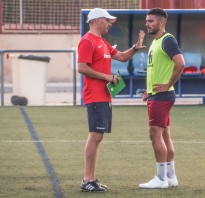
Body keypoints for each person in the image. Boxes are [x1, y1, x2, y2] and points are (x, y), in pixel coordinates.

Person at [77, 8, 145, 192]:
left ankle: (90, 179)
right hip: (95, 96)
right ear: (97, 20)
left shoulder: (102, 42)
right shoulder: (87, 41)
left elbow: (122, 57)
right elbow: (81, 67)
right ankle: (87, 180)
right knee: (95, 135)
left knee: (97, 137)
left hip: (104, 96)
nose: (109, 24)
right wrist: (107, 77)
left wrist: (135, 48)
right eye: (108, 21)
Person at [139, 8, 185, 189]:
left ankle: (160, 178)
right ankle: (171, 177)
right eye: (147, 21)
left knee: (155, 135)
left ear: (162, 22)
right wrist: (149, 90)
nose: (147, 24)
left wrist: (166, 85)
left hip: (163, 96)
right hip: (156, 95)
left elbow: (180, 63)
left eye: (151, 21)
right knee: (165, 135)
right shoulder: (155, 42)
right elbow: (156, 70)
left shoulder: (167, 40)